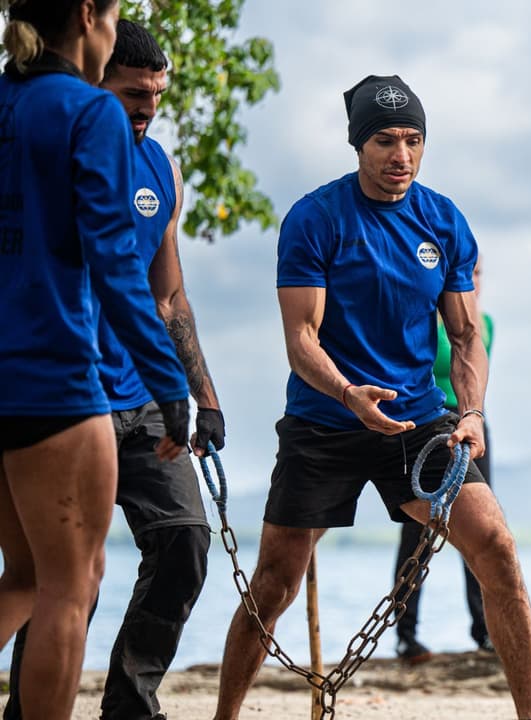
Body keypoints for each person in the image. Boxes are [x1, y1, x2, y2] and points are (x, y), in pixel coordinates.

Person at [211, 74, 531, 720]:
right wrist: (346, 391)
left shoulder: (443, 220)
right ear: (358, 144)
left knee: (497, 547)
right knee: (274, 583)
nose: (402, 156)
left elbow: (466, 333)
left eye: (414, 140)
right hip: (324, 418)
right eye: (386, 141)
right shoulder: (315, 218)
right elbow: (301, 338)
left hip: (417, 420)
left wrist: (471, 412)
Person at [3, 19, 224, 720]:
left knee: (178, 541)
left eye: (157, 97)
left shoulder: (160, 167)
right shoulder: (73, 118)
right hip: (68, 388)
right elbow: (113, 265)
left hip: (130, 393)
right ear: (91, 37)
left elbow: (168, 292)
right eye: (134, 94)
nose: (146, 110)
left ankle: (131, 704)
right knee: (67, 583)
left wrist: (201, 395)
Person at [394, 254, 495, 661]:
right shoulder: (423, 319)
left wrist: (475, 418)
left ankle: (484, 631)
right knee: (417, 534)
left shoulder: (486, 325)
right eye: (465, 274)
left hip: (470, 426)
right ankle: (406, 634)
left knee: (482, 531)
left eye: (477, 274)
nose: (471, 281)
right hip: (426, 428)